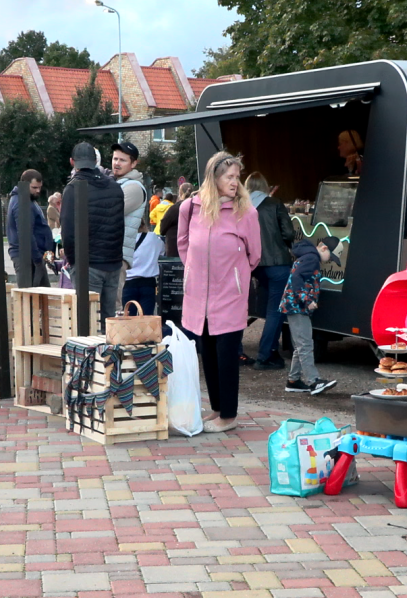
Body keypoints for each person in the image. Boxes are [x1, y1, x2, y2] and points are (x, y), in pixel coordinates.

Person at [178, 151, 262, 433]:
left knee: (226, 353)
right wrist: (196, 272)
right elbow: (183, 245)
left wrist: (235, 277)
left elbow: (255, 255)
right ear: (213, 178)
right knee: (208, 353)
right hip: (198, 297)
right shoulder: (189, 208)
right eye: (229, 176)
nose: (235, 182)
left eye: (237, 177)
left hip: (229, 295)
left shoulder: (246, 213)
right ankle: (216, 409)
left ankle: (229, 415)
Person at [61, 143, 125, 324]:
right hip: (113, 263)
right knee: (109, 322)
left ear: (72, 162)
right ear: (96, 161)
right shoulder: (114, 187)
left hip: (88, 265)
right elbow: (120, 224)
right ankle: (110, 353)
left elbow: (68, 232)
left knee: (87, 323)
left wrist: (74, 263)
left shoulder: (73, 189)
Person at [245, 172, 295, 370]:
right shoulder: (274, 204)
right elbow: (289, 232)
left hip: (256, 266)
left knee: (269, 309)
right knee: (276, 310)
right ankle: (265, 355)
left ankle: (271, 351)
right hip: (278, 263)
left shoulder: (242, 207)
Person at [279, 236, 338, 394]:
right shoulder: (312, 259)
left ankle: (293, 380)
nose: (329, 260)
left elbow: (296, 278)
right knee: (305, 345)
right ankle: (314, 382)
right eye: (330, 256)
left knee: (301, 345)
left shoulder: (306, 255)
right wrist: (306, 299)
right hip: (298, 307)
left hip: (294, 306)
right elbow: (297, 278)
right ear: (324, 248)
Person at [6, 169, 54, 287]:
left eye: (39, 187)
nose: (38, 191)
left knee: (42, 298)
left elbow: (41, 230)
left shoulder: (29, 200)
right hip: (28, 257)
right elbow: (26, 233)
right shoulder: (20, 202)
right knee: (31, 298)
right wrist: (38, 259)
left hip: (35, 256)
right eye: (34, 187)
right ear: (24, 185)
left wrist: (47, 257)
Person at [112, 141, 148, 270]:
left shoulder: (133, 187)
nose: (117, 163)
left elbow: (109, 213)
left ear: (133, 164)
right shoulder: (118, 183)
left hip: (117, 256)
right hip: (110, 254)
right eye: (115, 158)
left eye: (122, 160)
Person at [122, 224, 162, 315]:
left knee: (128, 319)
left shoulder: (123, 238)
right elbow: (163, 250)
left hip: (128, 283)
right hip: (148, 283)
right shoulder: (152, 237)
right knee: (146, 320)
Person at [160, 182, 192, 258]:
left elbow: (163, 227)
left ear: (179, 193)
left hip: (175, 250)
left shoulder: (175, 208)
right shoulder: (198, 207)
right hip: (194, 250)